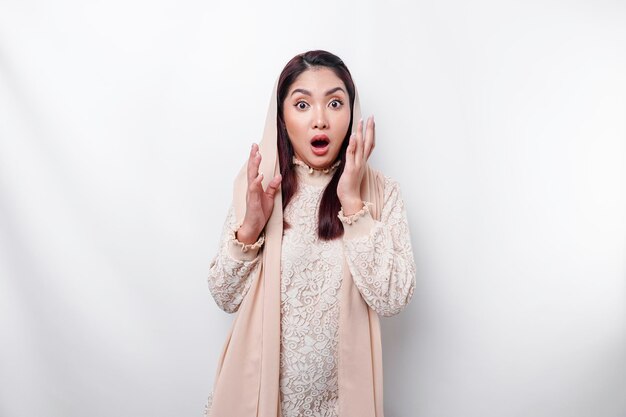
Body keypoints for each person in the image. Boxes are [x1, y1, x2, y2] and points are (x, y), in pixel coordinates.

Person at [204, 50, 417, 417]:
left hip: (341, 405)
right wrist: (252, 226)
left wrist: (351, 200)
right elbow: (224, 296)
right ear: (282, 118)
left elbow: (393, 298)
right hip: (257, 397)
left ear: (351, 113)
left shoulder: (382, 193)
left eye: (335, 102)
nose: (320, 120)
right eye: (302, 105)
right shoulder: (258, 185)